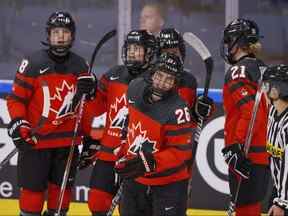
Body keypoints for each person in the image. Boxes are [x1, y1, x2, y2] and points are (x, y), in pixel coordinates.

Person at [6, 11, 98, 216]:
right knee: (32, 194)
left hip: (67, 143)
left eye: (65, 32)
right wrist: (20, 124)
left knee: (61, 196)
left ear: (72, 36)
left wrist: (92, 92)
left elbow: (87, 106)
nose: (60, 36)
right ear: (49, 35)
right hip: (36, 142)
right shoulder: (32, 63)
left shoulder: (81, 65)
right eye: (56, 31)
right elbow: (16, 100)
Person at [78, 29, 157, 216]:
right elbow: (97, 108)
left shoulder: (156, 80)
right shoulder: (113, 75)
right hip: (107, 154)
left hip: (135, 157)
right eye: (130, 49)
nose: (132, 53)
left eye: (137, 49)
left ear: (149, 52)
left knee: (131, 209)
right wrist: (90, 93)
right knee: (97, 203)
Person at [114, 53, 194, 216]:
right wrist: (125, 147)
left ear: (175, 83)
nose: (161, 84)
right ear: (152, 73)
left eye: (169, 79)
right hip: (136, 177)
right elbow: (130, 123)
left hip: (169, 184)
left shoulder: (179, 110)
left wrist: (153, 161)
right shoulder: (135, 88)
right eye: (159, 76)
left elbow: (181, 152)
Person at [220, 18, 270, 216]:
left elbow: (251, 112)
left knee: (245, 210)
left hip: (247, 154)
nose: (227, 47)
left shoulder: (237, 72)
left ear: (236, 42)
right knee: (251, 208)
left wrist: (237, 146)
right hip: (263, 153)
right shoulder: (262, 68)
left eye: (228, 42)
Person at [264, 64, 288, 216]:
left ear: (277, 89)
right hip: (279, 190)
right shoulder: (273, 111)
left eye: (268, 85)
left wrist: (282, 202)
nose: (265, 89)